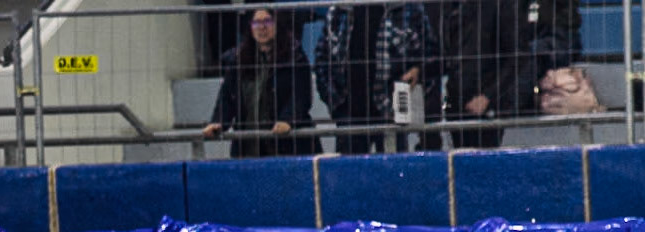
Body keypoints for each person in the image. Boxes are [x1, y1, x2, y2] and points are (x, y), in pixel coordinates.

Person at [445, 0, 581, 148]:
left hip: (541, 49)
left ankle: (502, 106)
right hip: (503, 58)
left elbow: (564, 33)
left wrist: (489, 96)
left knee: (524, 60)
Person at [314, 2, 440, 154]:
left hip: (391, 112)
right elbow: (321, 59)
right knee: (350, 175)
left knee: (393, 173)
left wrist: (419, 70)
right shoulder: (338, 10)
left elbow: (432, 53)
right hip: (349, 114)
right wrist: (335, 101)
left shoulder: (409, 9)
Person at [202, 9, 321, 157]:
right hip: (248, 146)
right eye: (256, 22)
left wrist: (288, 120)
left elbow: (301, 96)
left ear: (277, 25)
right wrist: (218, 121)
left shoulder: (295, 56)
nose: (262, 27)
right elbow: (226, 97)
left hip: (288, 145)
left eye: (267, 21)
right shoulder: (238, 60)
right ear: (250, 28)